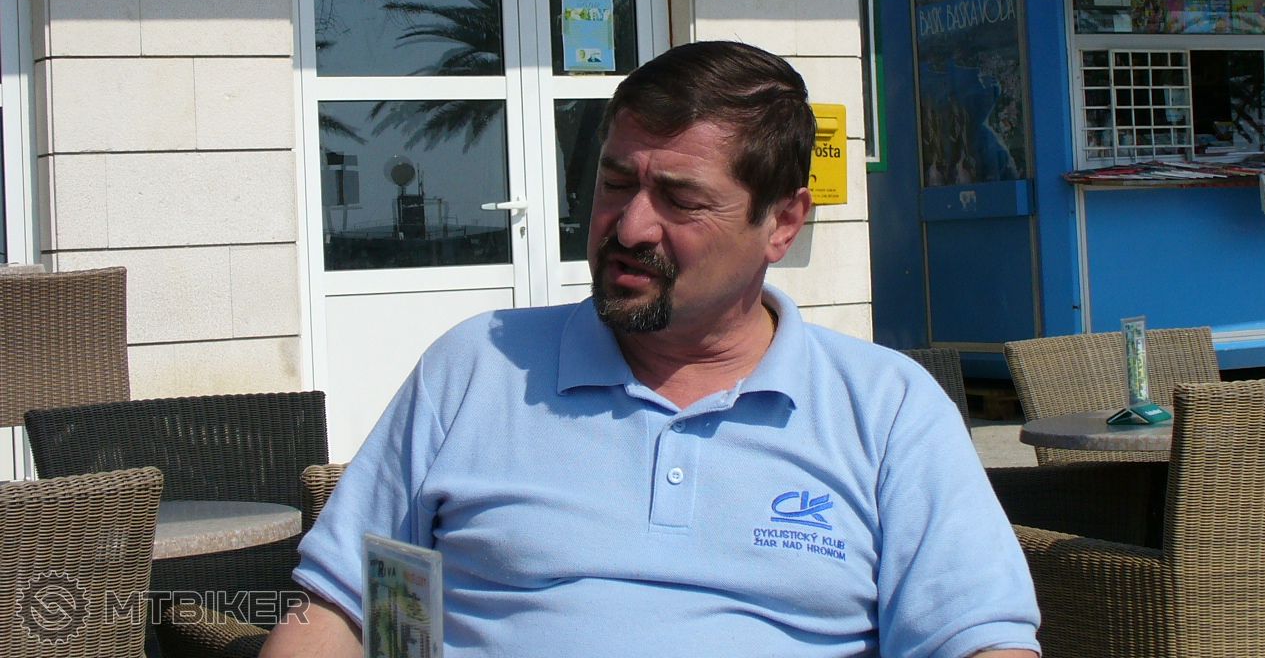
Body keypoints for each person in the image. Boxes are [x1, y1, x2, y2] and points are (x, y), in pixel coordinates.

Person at [265, 40, 1040, 658]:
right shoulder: (478, 371)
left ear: (782, 222)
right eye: (615, 184)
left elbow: (976, 639)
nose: (630, 226)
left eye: (680, 198)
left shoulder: (885, 409)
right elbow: (353, 611)